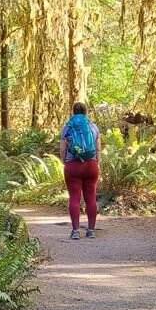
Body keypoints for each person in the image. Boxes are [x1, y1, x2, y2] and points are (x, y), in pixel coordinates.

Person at [60, 101, 101, 240]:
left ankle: (76, 231)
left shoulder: (67, 127)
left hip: (73, 166)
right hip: (91, 165)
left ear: (73, 112)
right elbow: (98, 149)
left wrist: (64, 161)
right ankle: (91, 230)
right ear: (86, 112)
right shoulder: (93, 127)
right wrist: (97, 162)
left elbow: (63, 149)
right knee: (91, 198)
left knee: (75, 198)